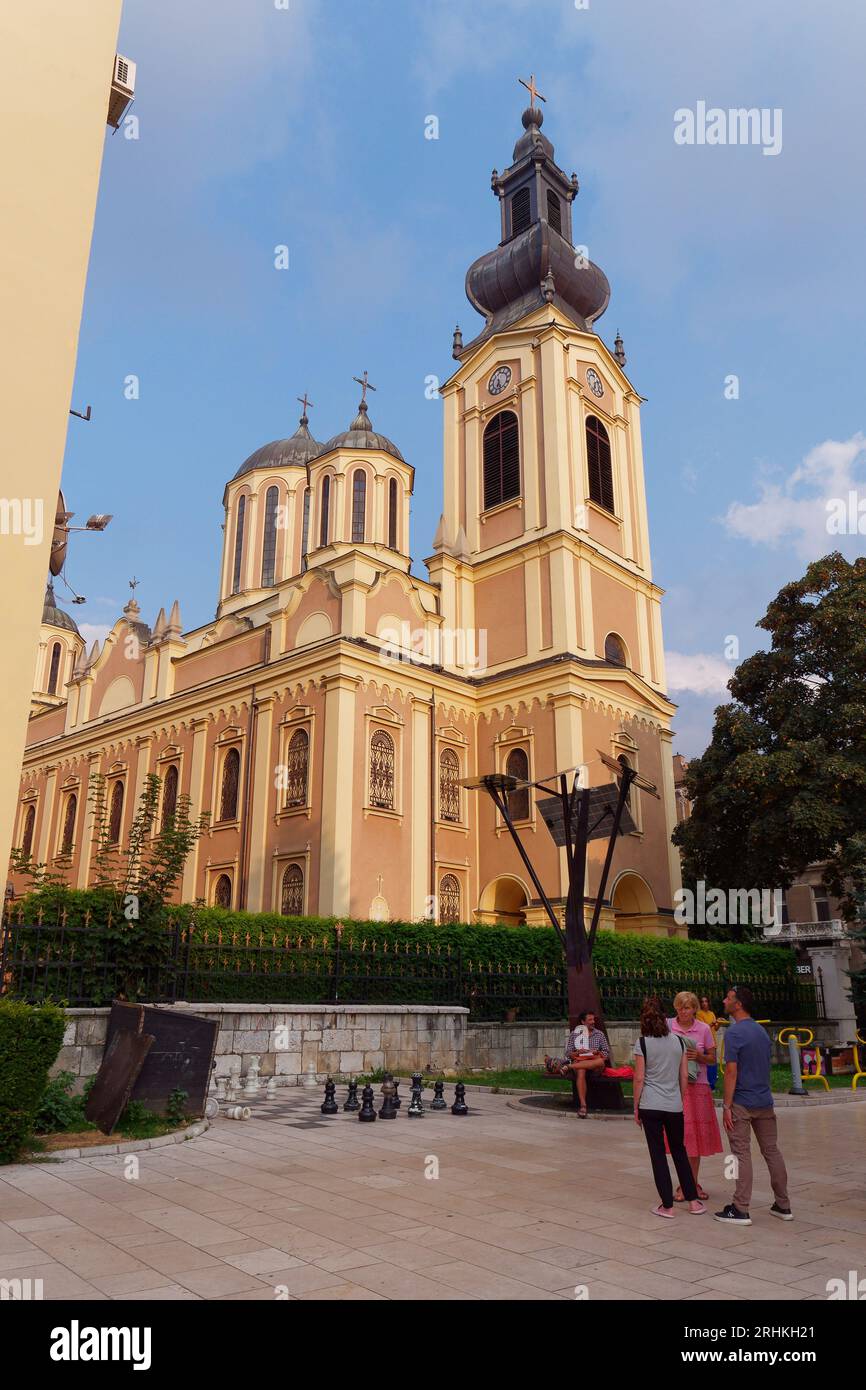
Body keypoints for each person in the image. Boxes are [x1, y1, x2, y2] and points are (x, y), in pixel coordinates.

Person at [714, 984, 793, 1226]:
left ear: (738, 1004)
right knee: (772, 1151)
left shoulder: (734, 1033)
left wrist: (727, 1106)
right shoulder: (761, 1031)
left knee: (739, 1155)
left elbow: (731, 1071)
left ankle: (740, 1207)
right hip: (764, 1100)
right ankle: (783, 1204)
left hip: (742, 1102)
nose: (724, 1001)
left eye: (728, 998)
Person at [633, 996, 705, 1218]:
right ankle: (693, 1201)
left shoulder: (643, 1043)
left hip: (650, 1104)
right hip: (674, 1105)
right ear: (666, 1017)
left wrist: (636, 1106)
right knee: (679, 1151)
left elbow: (639, 1078)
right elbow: (684, 1075)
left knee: (658, 1155)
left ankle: (667, 1205)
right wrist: (679, 1097)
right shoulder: (679, 1041)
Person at [668, 991, 723, 1202]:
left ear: (694, 1010)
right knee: (680, 1137)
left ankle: (691, 1183)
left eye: (688, 1008)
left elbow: (712, 1059)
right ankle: (685, 1182)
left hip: (698, 1087)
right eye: (680, 1008)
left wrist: (699, 1056)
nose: (684, 1012)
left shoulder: (703, 1029)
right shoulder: (668, 1027)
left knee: (695, 1138)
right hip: (674, 1087)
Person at [560, 1010, 610, 1117]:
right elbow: (568, 1053)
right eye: (590, 1020)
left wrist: (597, 1052)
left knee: (600, 1061)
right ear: (583, 1022)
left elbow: (606, 1053)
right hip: (581, 1062)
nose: (593, 1022)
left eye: (593, 1019)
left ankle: (569, 1067)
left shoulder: (599, 1034)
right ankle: (583, 1105)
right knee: (581, 1071)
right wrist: (578, 1052)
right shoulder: (575, 1034)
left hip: (595, 1064)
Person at [697, 994, 719, 1090]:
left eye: (706, 1001)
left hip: (713, 1042)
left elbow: (716, 1028)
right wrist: (712, 1023)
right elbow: (704, 1028)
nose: (704, 1003)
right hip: (705, 1043)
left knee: (713, 1065)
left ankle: (713, 1084)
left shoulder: (712, 1013)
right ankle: (709, 1085)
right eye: (702, 1001)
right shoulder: (699, 1014)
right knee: (707, 1066)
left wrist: (718, 1023)